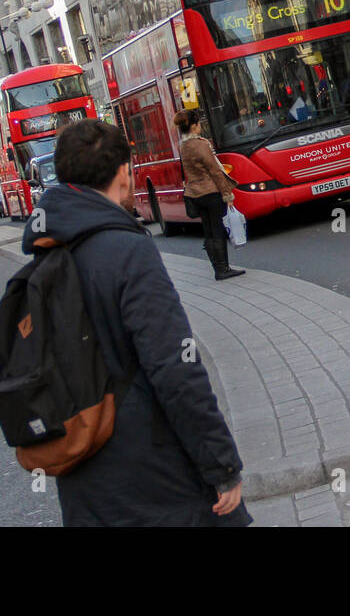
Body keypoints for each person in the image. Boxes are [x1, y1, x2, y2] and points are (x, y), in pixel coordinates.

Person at [21, 118, 250, 527]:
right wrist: (221, 466)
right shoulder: (128, 251)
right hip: (155, 475)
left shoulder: (46, 258)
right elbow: (174, 368)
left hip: (83, 477)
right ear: (123, 175)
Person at [176, 109, 245, 281]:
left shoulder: (183, 146)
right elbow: (215, 171)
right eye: (198, 123)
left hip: (195, 194)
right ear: (193, 126)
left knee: (208, 231)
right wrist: (227, 195)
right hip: (211, 192)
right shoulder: (201, 145)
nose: (200, 127)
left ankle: (218, 267)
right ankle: (223, 269)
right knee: (217, 231)